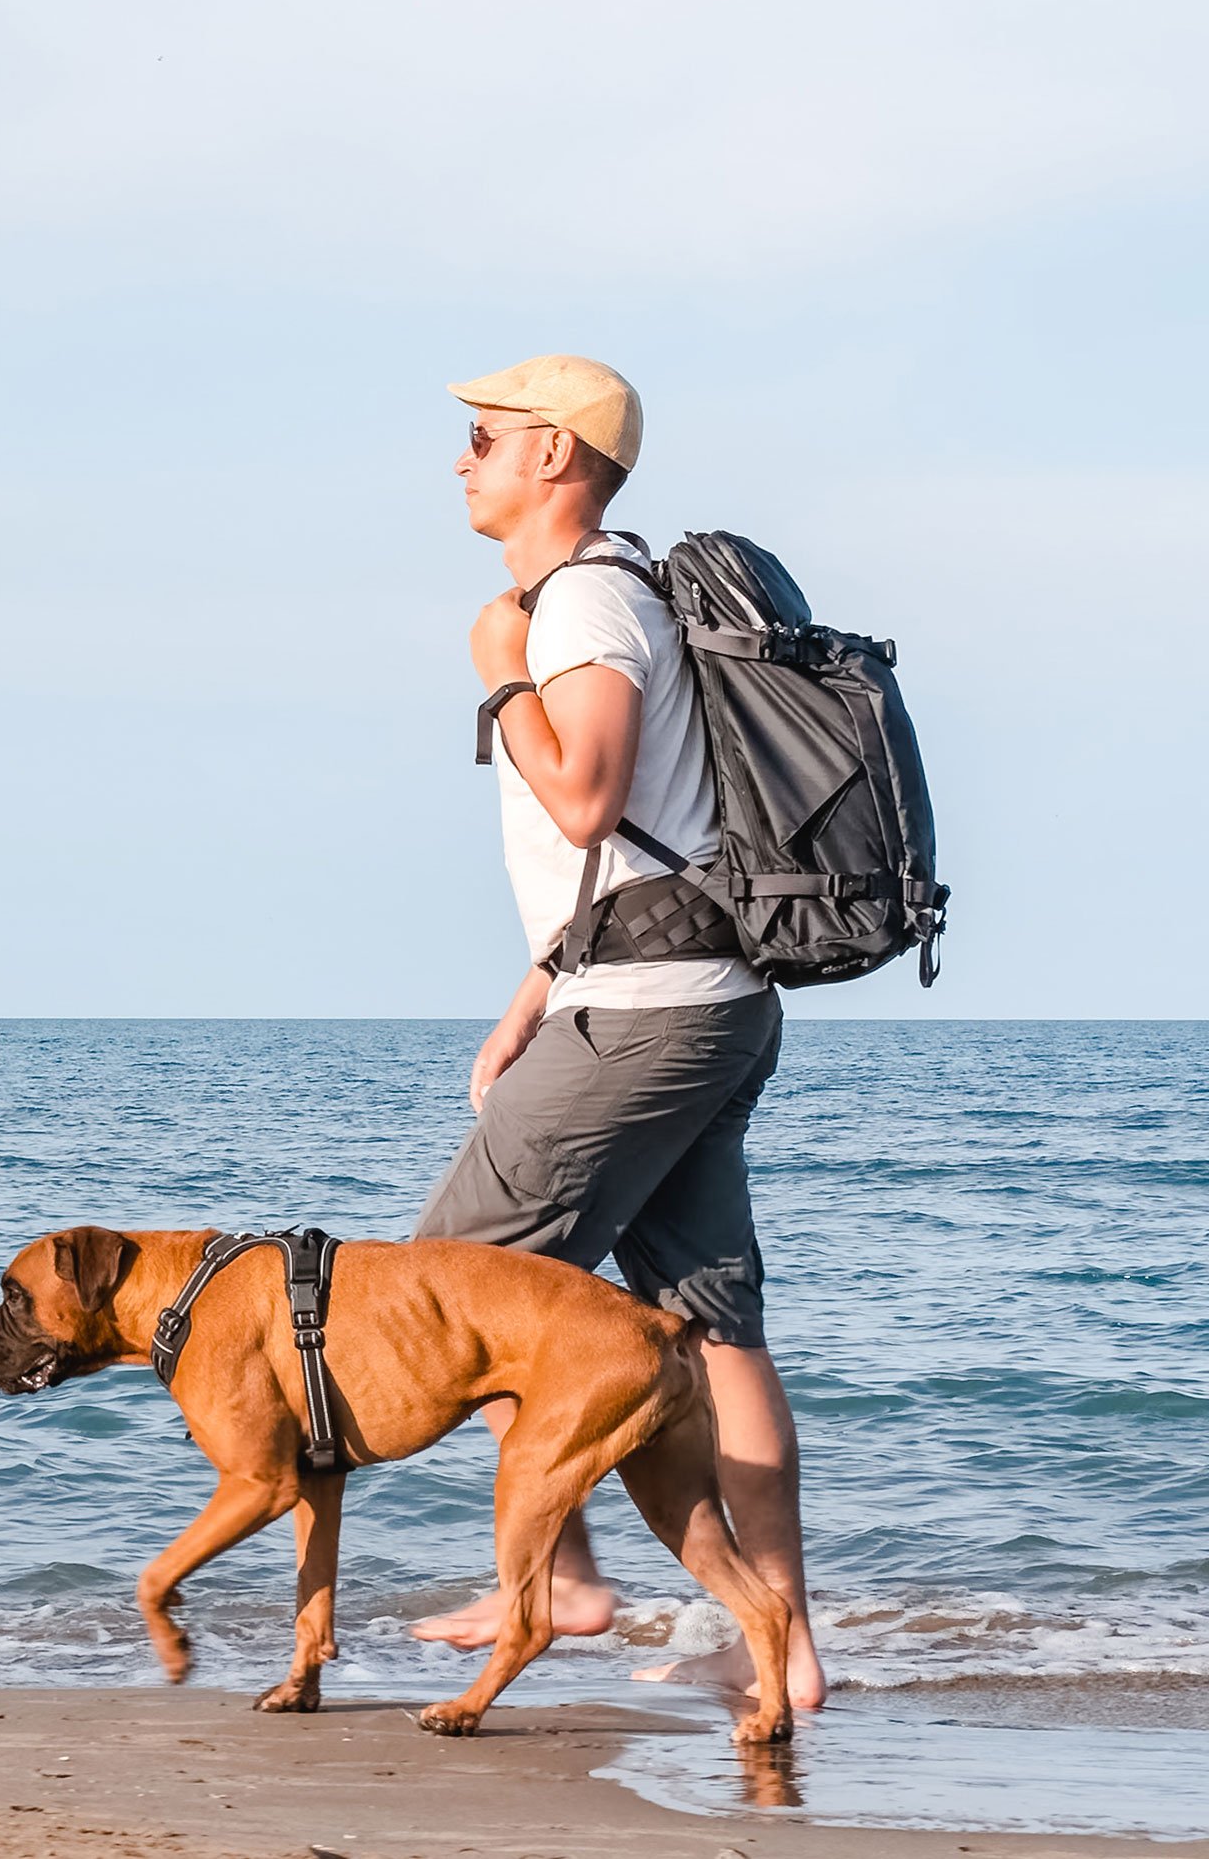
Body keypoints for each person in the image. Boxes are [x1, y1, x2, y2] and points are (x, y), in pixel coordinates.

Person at [408, 354, 826, 1710]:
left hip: (649, 1018)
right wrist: (536, 994)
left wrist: (495, 674)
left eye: (481, 438)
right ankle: (791, 1649)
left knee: (445, 1293)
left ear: (554, 456)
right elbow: (648, 842)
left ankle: (567, 1582)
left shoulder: (577, 606)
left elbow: (586, 798)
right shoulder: (616, 592)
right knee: (711, 1331)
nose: (459, 461)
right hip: (693, 1002)